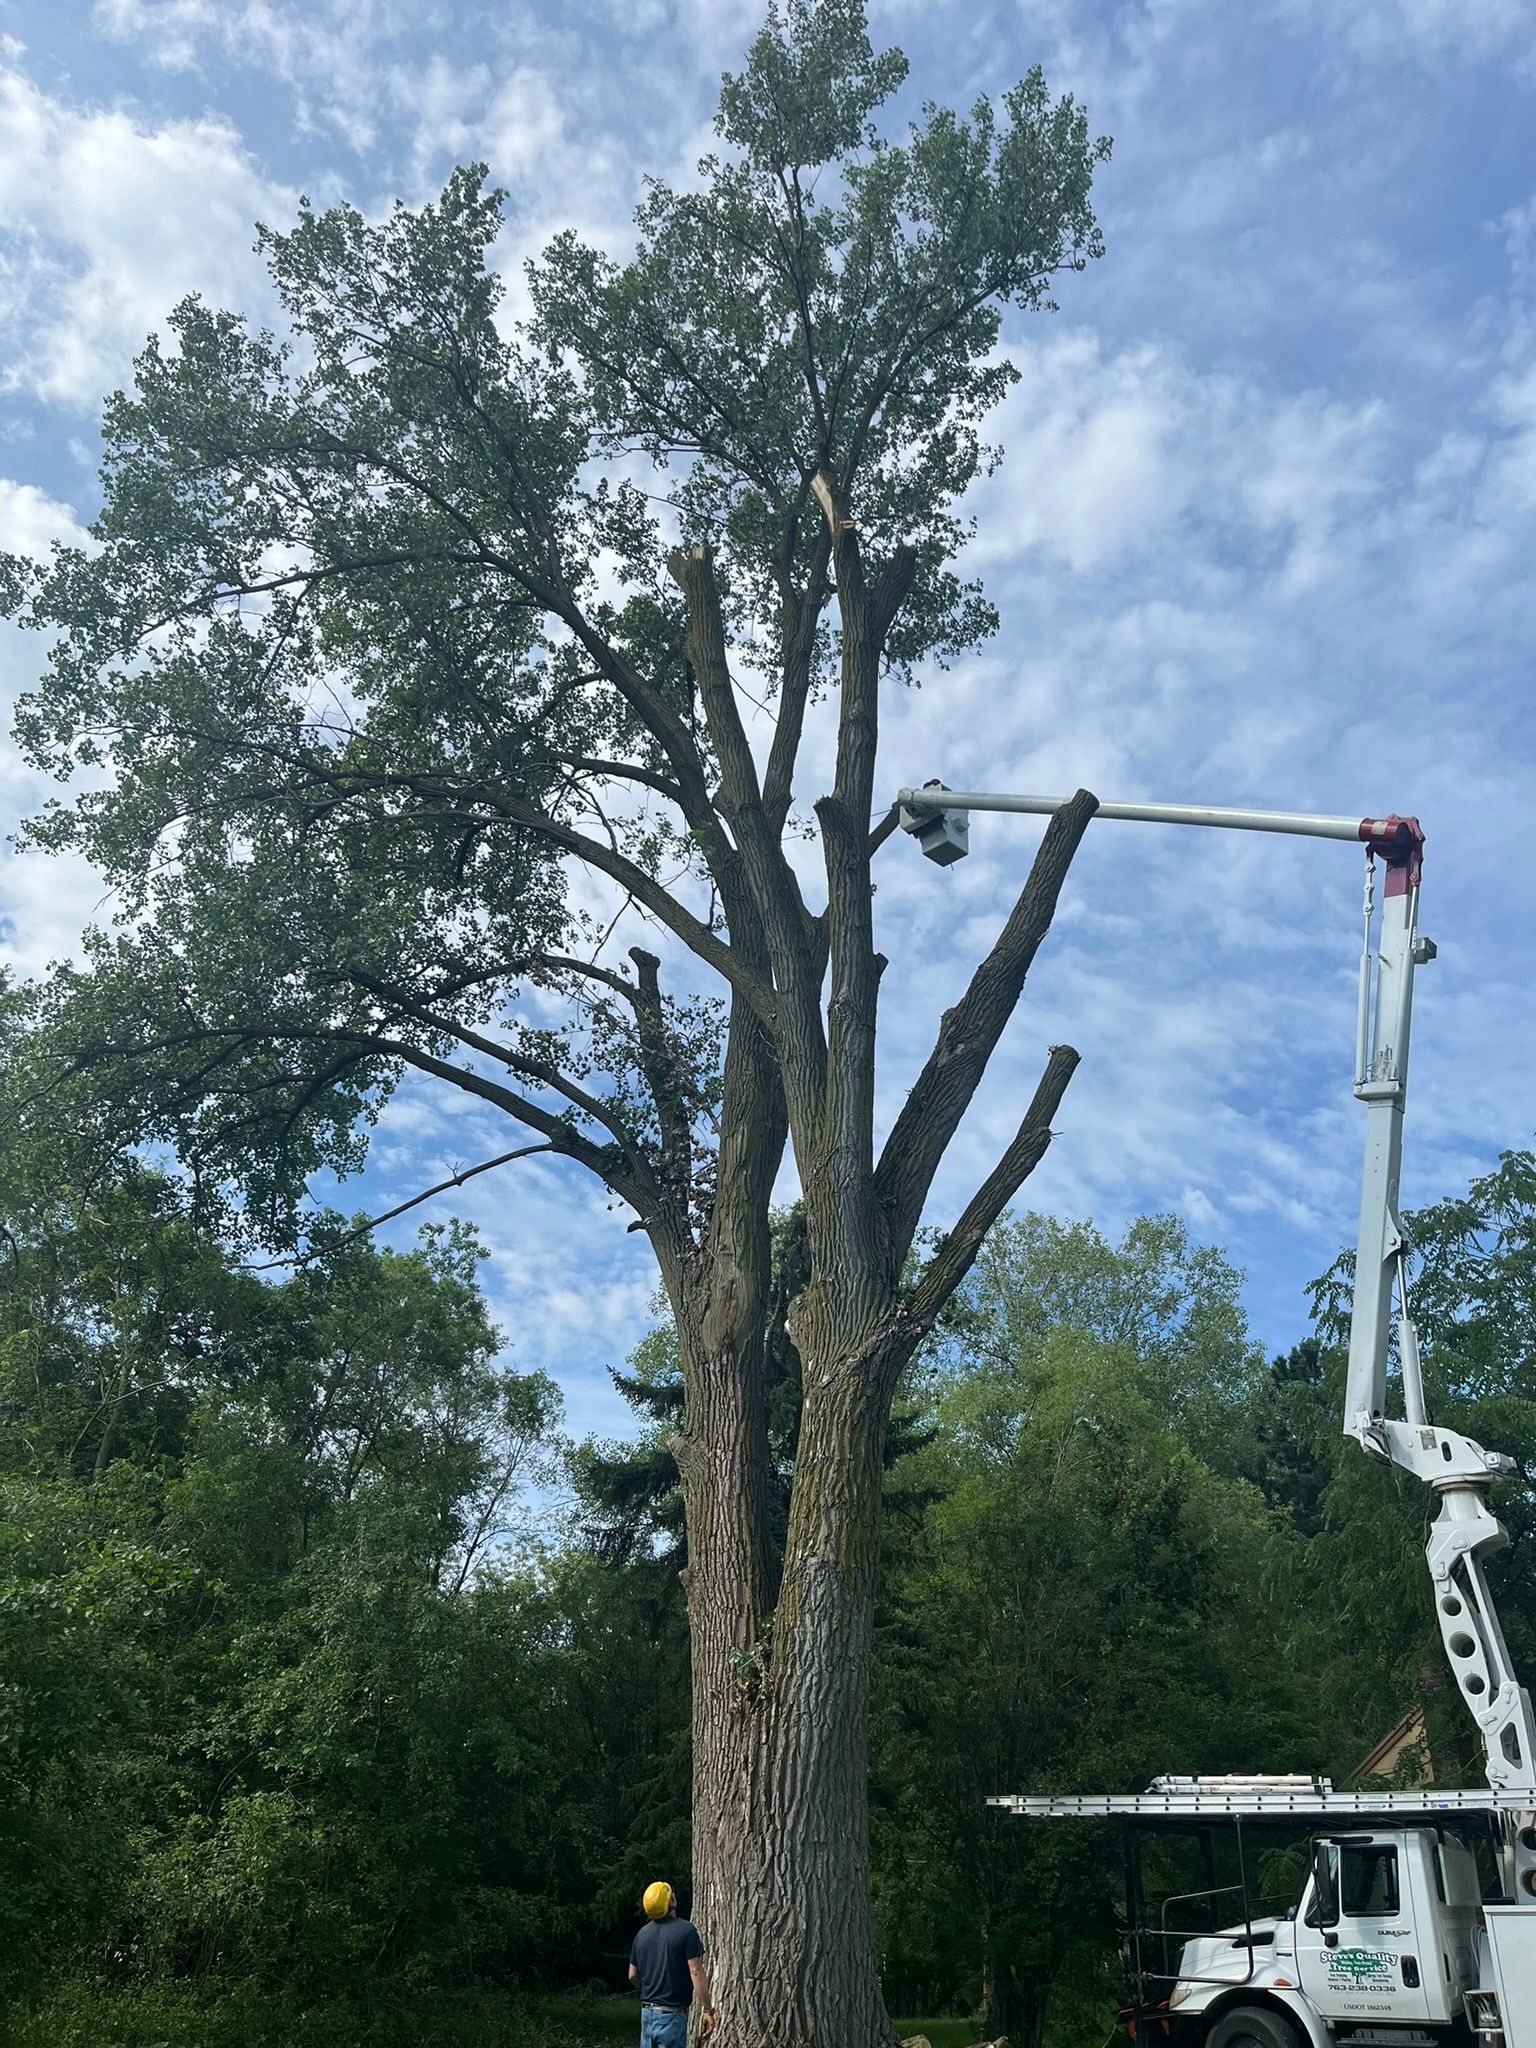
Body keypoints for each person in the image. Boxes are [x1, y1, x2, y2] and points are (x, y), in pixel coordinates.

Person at [628, 1881, 715, 2044]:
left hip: (647, 2014)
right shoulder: (686, 1930)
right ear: (672, 1902)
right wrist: (708, 2009)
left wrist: (650, 1990)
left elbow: (632, 1975)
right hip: (671, 2016)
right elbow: (695, 1970)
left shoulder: (641, 1934)